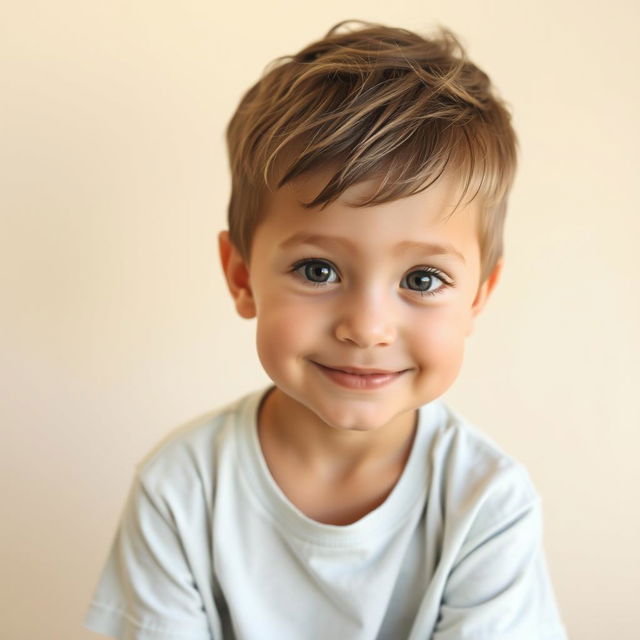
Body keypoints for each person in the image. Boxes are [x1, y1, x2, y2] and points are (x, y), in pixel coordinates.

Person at [84, 20, 567, 639]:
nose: (367, 328)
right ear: (241, 277)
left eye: (421, 280)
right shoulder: (182, 488)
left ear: (478, 298)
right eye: (319, 269)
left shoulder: (487, 503)